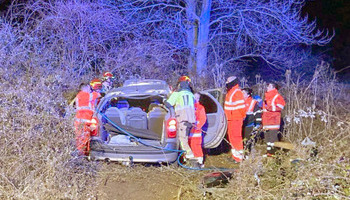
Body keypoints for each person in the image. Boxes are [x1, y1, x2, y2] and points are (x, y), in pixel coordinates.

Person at [164, 76, 196, 159]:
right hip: (191, 121)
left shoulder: (177, 94)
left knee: (182, 140)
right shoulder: (191, 95)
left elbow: (169, 104)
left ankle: (191, 159)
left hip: (182, 120)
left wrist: (164, 100)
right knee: (186, 139)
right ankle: (186, 157)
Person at [74, 82, 101, 155]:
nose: (90, 90)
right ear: (85, 88)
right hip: (82, 122)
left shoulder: (83, 96)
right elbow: (96, 95)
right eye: (89, 88)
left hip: (84, 122)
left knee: (84, 140)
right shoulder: (83, 94)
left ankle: (84, 156)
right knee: (81, 141)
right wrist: (98, 91)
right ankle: (80, 157)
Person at [224, 76, 246, 163]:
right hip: (231, 118)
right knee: (232, 137)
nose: (226, 82)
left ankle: (239, 158)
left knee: (236, 137)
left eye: (228, 80)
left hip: (236, 118)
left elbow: (241, 107)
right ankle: (235, 156)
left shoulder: (236, 92)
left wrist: (242, 116)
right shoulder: (230, 92)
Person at [262, 82, 286, 156]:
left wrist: (270, 108)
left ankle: (275, 153)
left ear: (274, 88)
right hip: (266, 120)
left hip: (273, 120)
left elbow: (281, 106)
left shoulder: (277, 96)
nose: (267, 88)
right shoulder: (266, 97)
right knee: (267, 139)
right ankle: (269, 152)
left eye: (269, 86)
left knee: (273, 138)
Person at [188, 93, 207, 167]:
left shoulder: (201, 108)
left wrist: (197, 126)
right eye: (194, 97)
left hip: (196, 131)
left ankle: (200, 161)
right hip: (189, 131)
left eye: (197, 98)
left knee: (197, 146)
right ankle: (191, 161)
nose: (196, 99)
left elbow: (203, 119)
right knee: (189, 145)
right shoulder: (189, 107)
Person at [242, 88, 262, 154]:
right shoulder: (240, 102)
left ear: (248, 95)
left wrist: (258, 124)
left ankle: (246, 154)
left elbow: (258, 114)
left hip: (249, 125)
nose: (241, 94)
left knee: (247, 141)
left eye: (243, 93)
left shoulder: (253, 102)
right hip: (241, 124)